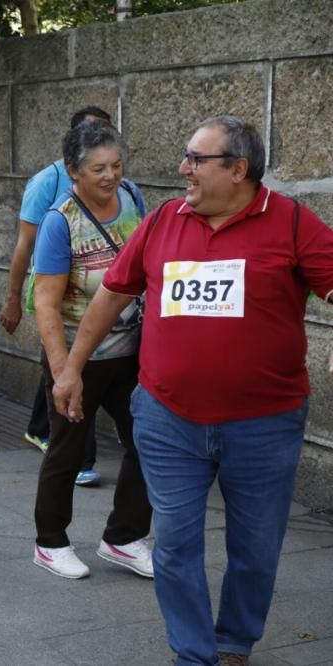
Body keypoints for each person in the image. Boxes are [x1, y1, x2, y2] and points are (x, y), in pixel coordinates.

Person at [52, 116, 333, 666]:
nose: (183, 169)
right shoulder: (161, 222)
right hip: (167, 417)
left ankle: (233, 642)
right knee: (176, 544)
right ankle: (193, 654)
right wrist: (70, 368)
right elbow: (110, 296)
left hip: (264, 423)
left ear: (237, 169)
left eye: (195, 160)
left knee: (254, 549)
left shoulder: (294, 223)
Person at [31, 120, 152, 580]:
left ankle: (124, 537)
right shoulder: (60, 223)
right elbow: (45, 302)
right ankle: (50, 542)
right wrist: (65, 373)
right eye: (98, 168)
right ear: (73, 171)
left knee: (148, 439)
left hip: (132, 353)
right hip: (76, 356)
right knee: (68, 448)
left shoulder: (134, 198)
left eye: (117, 165)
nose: (110, 176)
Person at [2, 106, 110, 486]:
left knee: (59, 366)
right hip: (59, 294)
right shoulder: (46, 183)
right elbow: (24, 244)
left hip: (103, 295)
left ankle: (39, 426)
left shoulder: (118, 186)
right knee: (74, 364)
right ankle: (80, 456)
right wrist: (13, 298)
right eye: (89, 135)